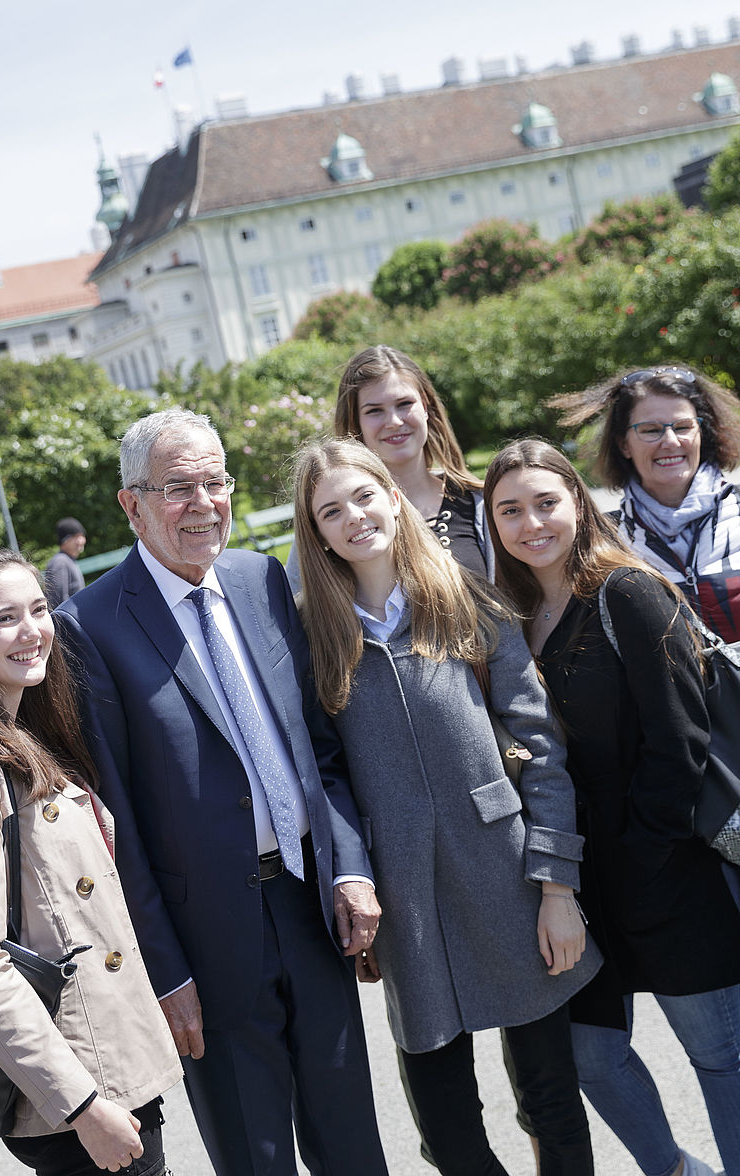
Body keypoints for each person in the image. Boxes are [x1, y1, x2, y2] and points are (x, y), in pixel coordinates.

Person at [53, 409, 388, 1176]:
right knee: (255, 1156)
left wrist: (350, 867)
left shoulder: (261, 578)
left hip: (312, 909)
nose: (204, 503)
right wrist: (166, 973)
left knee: (355, 1148)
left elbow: (319, 751)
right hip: (205, 946)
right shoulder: (90, 626)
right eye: (178, 488)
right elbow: (118, 827)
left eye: (216, 481)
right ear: (131, 505)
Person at [291, 436, 602, 1176]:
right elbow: (321, 775)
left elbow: (543, 749)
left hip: (510, 879)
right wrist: (352, 878)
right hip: (406, 905)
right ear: (317, 531)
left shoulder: (468, 598)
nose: (354, 517)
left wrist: (558, 888)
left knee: (551, 1102)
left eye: (364, 496)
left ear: (393, 498)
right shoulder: (311, 636)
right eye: (331, 510)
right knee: (447, 1130)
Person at [483, 438, 740, 1176]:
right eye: (510, 511)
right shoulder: (517, 615)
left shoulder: (627, 591)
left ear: (577, 503)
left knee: (721, 1059)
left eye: (545, 502)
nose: (531, 522)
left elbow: (680, 740)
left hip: (673, 877)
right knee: (592, 1060)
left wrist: (642, 856)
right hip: (581, 886)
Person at [0, 548, 182, 1176]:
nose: (32, 630)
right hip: (77, 1089)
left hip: (110, 1066)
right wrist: (80, 1106)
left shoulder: (27, 733)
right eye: (4, 618)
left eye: (39, 609)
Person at [549, 364, 740, 641]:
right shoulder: (604, 542)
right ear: (623, 444)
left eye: (683, 426)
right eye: (651, 430)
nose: (671, 441)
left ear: (702, 432)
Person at [286, 344, 492, 593]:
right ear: (355, 422)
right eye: (374, 411)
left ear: (426, 407)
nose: (394, 421)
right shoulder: (331, 522)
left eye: (404, 403)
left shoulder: (480, 504)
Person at [44, 518, 87, 609]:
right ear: (65, 540)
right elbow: (57, 600)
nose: (81, 540)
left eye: (82, 536)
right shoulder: (60, 562)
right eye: (76, 536)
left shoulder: (69, 560)